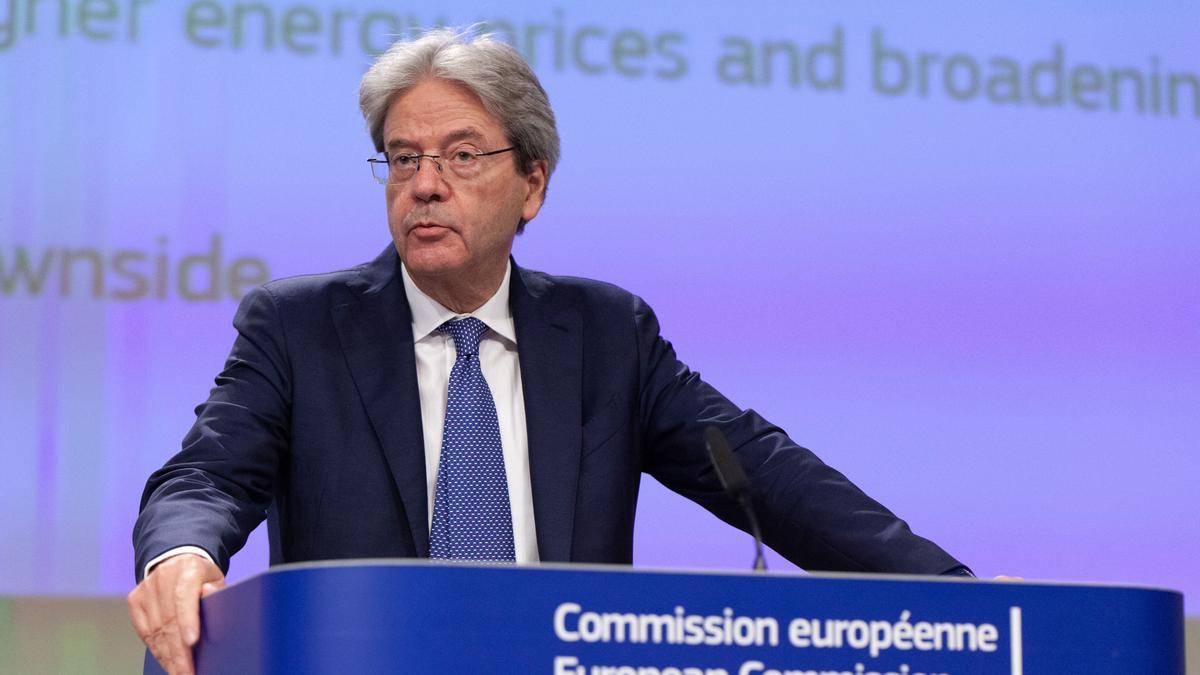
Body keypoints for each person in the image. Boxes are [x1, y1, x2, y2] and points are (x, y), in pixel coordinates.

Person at [127, 27, 970, 675]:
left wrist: (951, 602)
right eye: (404, 158)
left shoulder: (605, 336)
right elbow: (205, 474)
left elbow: (768, 474)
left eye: (461, 155)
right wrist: (184, 554)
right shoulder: (299, 326)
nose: (425, 182)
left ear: (532, 184)